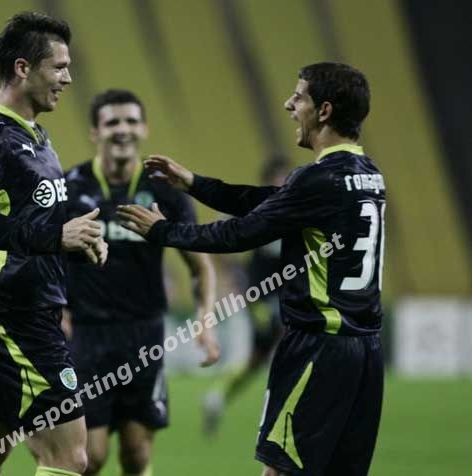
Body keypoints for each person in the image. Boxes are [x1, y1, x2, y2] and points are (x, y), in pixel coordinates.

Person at [118, 63, 385, 476]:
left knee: (279, 470)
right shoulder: (369, 176)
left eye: (299, 97)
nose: (289, 105)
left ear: (325, 110)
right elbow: (265, 201)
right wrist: (195, 184)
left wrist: (163, 231)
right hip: (365, 354)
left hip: (318, 351)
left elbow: (239, 233)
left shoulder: (316, 180)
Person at [0, 12, 108, 476]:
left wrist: (76, 240)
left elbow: (32, 223)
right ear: (22, 68)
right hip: (11, 317)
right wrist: (56, 236)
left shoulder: (35, 135)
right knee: (70, 457)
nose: (67, 78)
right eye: (59, 67)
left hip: (25, 313)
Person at [64, 89, 220, 476]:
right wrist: (56, 311)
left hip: (144, 335)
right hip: (86, 334)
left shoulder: (165, 191)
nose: (123, 129)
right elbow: (44, 258)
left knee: (136, 453)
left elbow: (199, 266)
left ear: (144, 128)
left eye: (131, 121)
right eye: (113, 122)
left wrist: (205, 320)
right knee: (90, 457)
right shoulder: (70, 187)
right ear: (95, 132)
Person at [202, 158, 290, 436]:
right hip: (261, 296)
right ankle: (283, 412)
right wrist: (233, 275)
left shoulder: (295, 207)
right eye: (278, 179)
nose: (283, 184)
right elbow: (220, 227)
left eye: (286, 179)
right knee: (287, 341)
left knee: (257, 358)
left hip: (286, 294)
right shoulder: (260, 207)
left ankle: (217, 397)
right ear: (267, 181)